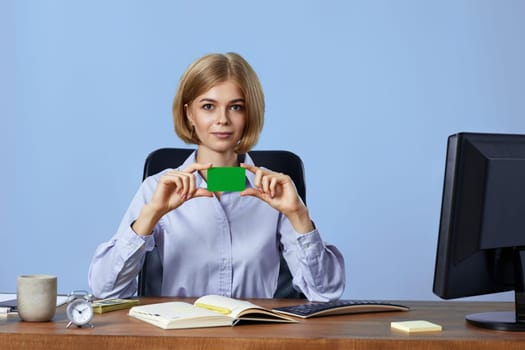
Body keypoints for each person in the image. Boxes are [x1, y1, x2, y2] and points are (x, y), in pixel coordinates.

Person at [88, 52, 345, 301]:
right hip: (179, 338)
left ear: (249, 115)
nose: (222, 120)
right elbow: (105, 291)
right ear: (190, 114)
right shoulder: (156, 188)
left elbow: (325, 293)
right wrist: (149, 216)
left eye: (236, 107)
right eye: (208, 106)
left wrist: (299, 216)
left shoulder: (274, 193)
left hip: (253, 338)